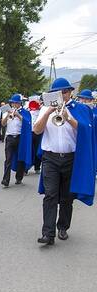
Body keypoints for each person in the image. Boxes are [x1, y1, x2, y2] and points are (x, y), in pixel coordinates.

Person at [34, 78, 95, 245]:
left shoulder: (80, 109)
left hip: (71, 158)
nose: (62, 95)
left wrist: (68, 118)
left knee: (67, 197)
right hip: (50, 158)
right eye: (59, 92)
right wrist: (47, 112)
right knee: (50, 194)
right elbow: (36, 130)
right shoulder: (45, 108)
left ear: (70, 92)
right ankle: (48, 233)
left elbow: (85, 132)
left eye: (65, 92)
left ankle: (63, 227)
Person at [0, 94, 32, 187]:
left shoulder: (25, 112)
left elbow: (27, 123)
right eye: (13, 103)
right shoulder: (7, 111)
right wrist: (7, 115)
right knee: (8, 159)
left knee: (20, 159)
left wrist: (18, 115)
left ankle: (19, 178)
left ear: (20, 103)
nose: (14, 105)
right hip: (9, 138)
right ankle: (5, 180)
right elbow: (3, 123)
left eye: (16, 103)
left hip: (20, 138)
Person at [28, 95, 42, 174]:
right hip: (30, 132)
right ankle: (26, 168)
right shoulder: (28, 111)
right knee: (29, 150)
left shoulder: (41, 112)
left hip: (38, 133)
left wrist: (39, 105)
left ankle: (37, 167)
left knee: (37, 150)